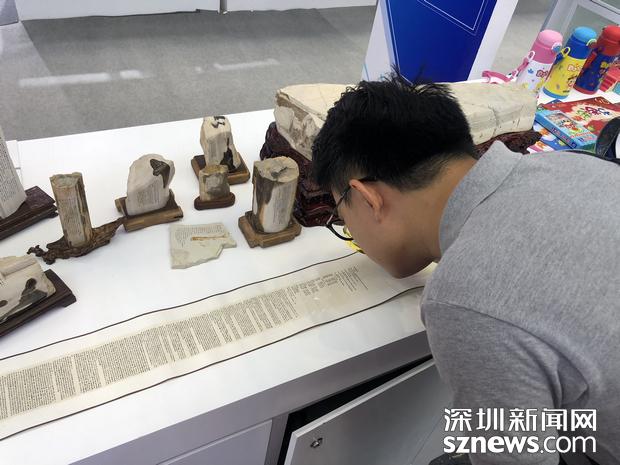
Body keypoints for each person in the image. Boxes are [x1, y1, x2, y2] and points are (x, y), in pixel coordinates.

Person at [311, 74, 620, 465]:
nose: (348, 228)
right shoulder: (570, 165)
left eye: (341, 215)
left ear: (368, 199)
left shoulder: (464, 298)